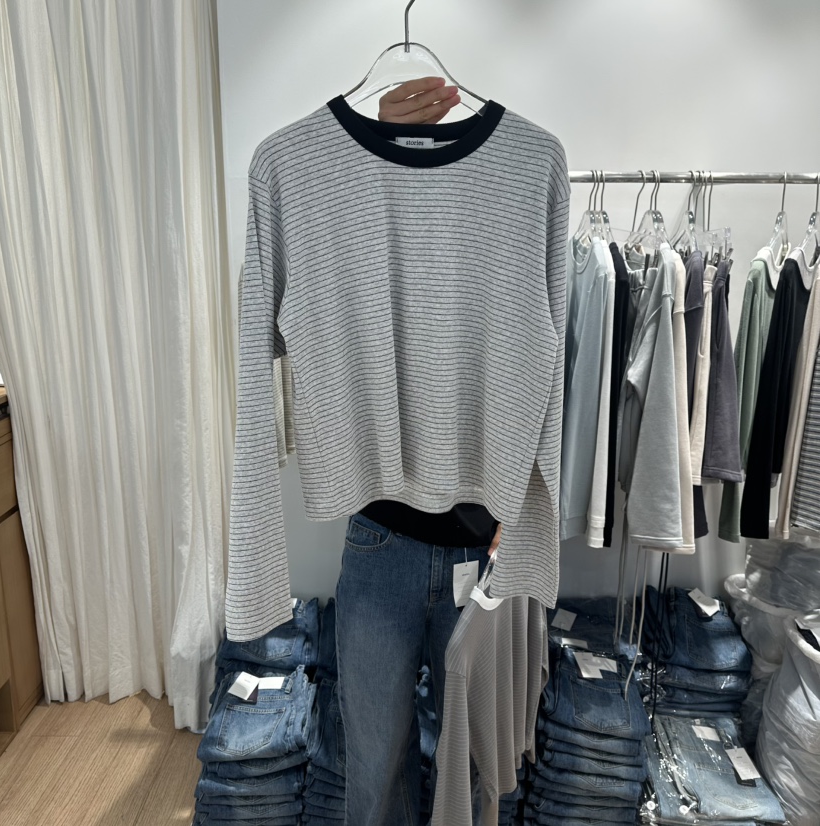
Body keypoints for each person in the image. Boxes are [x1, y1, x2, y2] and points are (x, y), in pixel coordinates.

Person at [334, 76, 502, 826]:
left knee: (473, 768)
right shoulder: (355, 205)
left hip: (482, 547)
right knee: (374, 772)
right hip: (382, 537)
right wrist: (368, 153)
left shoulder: (513, 193)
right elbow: (286, 299)